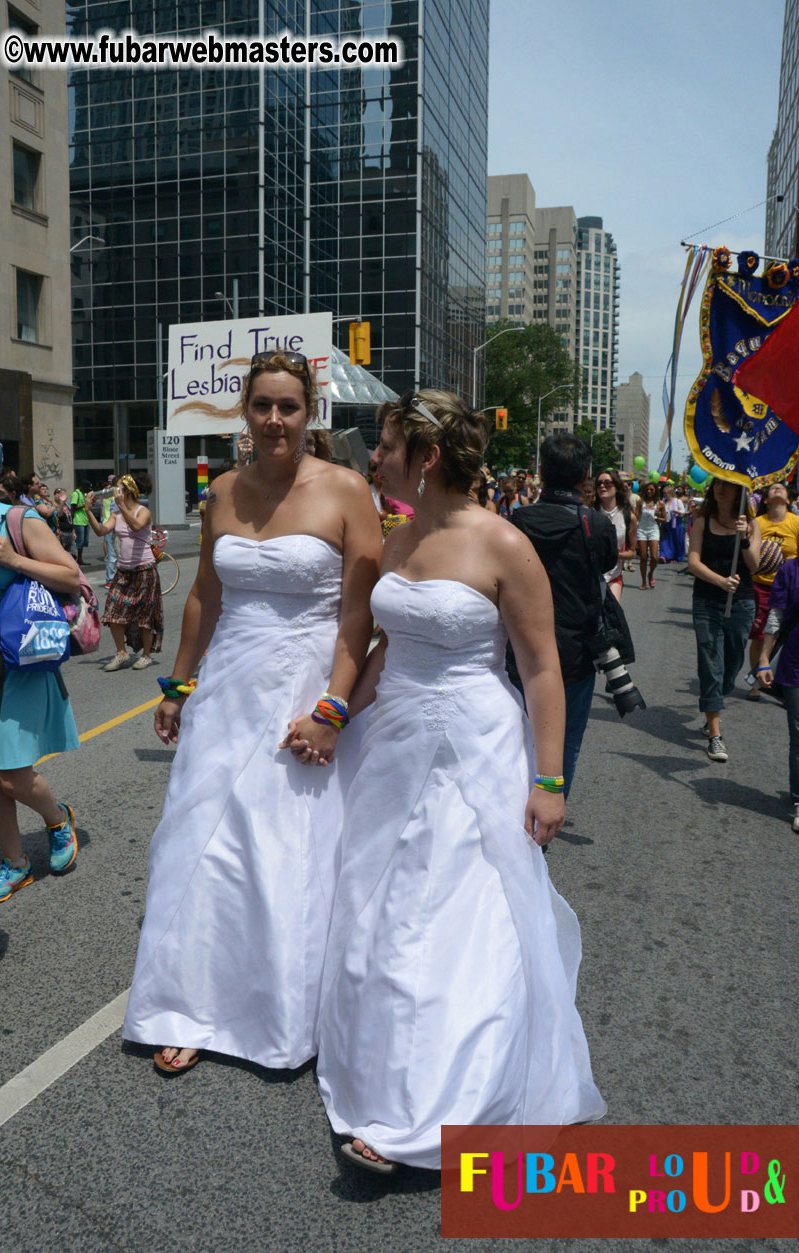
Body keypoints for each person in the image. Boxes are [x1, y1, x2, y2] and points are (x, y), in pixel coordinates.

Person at [313, 390, 605, 1172]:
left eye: (382, 446)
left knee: (457, 918)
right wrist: (336, 714)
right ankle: (383, 1065)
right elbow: (386, 647)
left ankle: (441, 1111)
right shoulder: (396, 538)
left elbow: (542, 666)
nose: (371, 459)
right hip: (393, 744)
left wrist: (549, 780)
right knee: (387, 907)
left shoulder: (502, 543)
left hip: (473, 744)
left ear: (426, 455)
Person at [122, 350, 381, 1075]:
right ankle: (189, 1002)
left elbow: (361, 613)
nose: (274, 419)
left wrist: (332, 708)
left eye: (288, 406)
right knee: (202, 841)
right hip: (229, 685)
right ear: (244, 411)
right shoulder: (223, 491)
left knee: (283, 848)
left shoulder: (346, 489)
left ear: (310, 413)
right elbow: (205, 592)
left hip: (306, 686)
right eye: (262, 405)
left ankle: (282, 1007)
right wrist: (177, 684)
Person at [0, 428, 80, 904]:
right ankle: (14, 862)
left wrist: (14, 558)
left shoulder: (17, 518)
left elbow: (70, 575)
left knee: (11, 773)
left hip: (15, 657)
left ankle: (58, 820)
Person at [509, 434, 618, 799]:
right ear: (585, 475)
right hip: (575, 652)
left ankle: (511, 811)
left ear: (542, 471)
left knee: (515, 737)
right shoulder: (597, 525)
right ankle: (543, 825)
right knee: (566, 743)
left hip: (517, 649)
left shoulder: (516, 523)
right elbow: (606, 567)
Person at [688, 477, 761, 762]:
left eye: (727, 485)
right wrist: (720, 581)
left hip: (742, 602)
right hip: (707, 601)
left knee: (732, 662)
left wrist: (744, 538)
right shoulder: (702, 521)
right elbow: (693, 561)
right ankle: (715, 735)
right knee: (710, 664)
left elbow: (754, 565)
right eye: (716, 484)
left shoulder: (751, 525)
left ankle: (716, 700)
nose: (720, 488)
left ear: (739, 492)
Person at [87, 473, 163, 671]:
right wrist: (88, 511)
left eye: (119, 487)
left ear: (128, 491)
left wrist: (121, 505)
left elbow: (137, 526)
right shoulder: (116, 515)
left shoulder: (143, 511)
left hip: (145, 569)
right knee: (113, 609)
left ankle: (145, 656)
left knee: (145, 615)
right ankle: (121, 653)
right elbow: (101, 531)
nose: (114, 491)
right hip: (124, 570)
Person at [756, 555, 799, 829]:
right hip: (795, 661)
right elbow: (777, 615)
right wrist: (763, 659)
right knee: (798, 731)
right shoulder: (790, 569)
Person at [746, 481, 799, 701]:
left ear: (788, 499)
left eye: (782, 488)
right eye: (772, 488)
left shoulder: (796, 523)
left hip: (789, 588)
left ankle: (777, 674)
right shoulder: (757, 523)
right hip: (760, 585)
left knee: (782, 633)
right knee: (759, 636)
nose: (777, 488)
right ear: (765, 499)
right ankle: (757, 679)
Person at [594, 469, 636, 603]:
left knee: (613, 614)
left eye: (607, 483)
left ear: (617, 487)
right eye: (599, 483)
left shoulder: (628, 516)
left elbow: (631, 552)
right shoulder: (589, 513)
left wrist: (615, 554)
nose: (602, 486)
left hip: (614, 575)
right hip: (590, 575)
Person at [635, 481, 664, 589]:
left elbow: (665, 519)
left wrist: (658, 518)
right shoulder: (641, 502)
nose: (649, 491)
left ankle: (650, 574)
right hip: (642, 530)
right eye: (647, 489)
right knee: (643, 556)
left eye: (651, 489)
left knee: (654, 557)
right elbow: (636, 516)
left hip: (653, 530)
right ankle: (643, 582)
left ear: (655, 490)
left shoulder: (660, 503)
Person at [658, 481, 686, 564]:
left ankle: (674, 556)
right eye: (663, 493)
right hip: (665, 524)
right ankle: (663, 555)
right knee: (664, 540)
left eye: (666, 493)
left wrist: (677, 511)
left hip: (676, 523)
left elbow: (683, 512)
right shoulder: (663, 501)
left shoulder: (677, 501)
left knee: (675, 541)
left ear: (670, 493)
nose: (664, 495)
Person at [70, 480, 92, 566]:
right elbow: (73, 507)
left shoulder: (83, 494)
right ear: (83, 486)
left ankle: (80, 559)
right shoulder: (76, 494)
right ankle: (76, 559)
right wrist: (84, 505)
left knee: (84, 542)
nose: (87, 490)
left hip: (85, 520)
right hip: (78, 521)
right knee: (79, 541)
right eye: (87, 488)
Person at [52, 489, 77, 557]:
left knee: (73, 554)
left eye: (65, 494)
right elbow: (59, 514)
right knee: (63, 554)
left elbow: (71, 518)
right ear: (56, 495)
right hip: (62, 533)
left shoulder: (67, 505)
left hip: (70, 532)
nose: (65, 496)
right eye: (62, 494)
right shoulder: (55, 505)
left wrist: (73, 531)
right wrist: (61, 502)